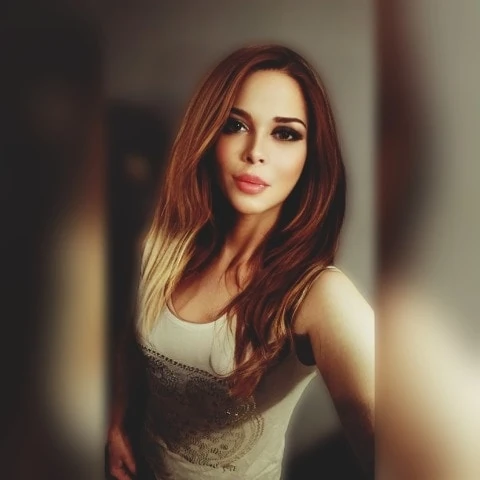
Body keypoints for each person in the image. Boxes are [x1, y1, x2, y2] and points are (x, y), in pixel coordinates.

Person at [107, 44, 374, 480]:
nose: (255, 151)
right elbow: (131, 348)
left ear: (312, 156)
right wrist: (117, 422)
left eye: (285, 133)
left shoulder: (317, 295)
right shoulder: (162, 247)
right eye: (235, 125)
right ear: (208, 135)